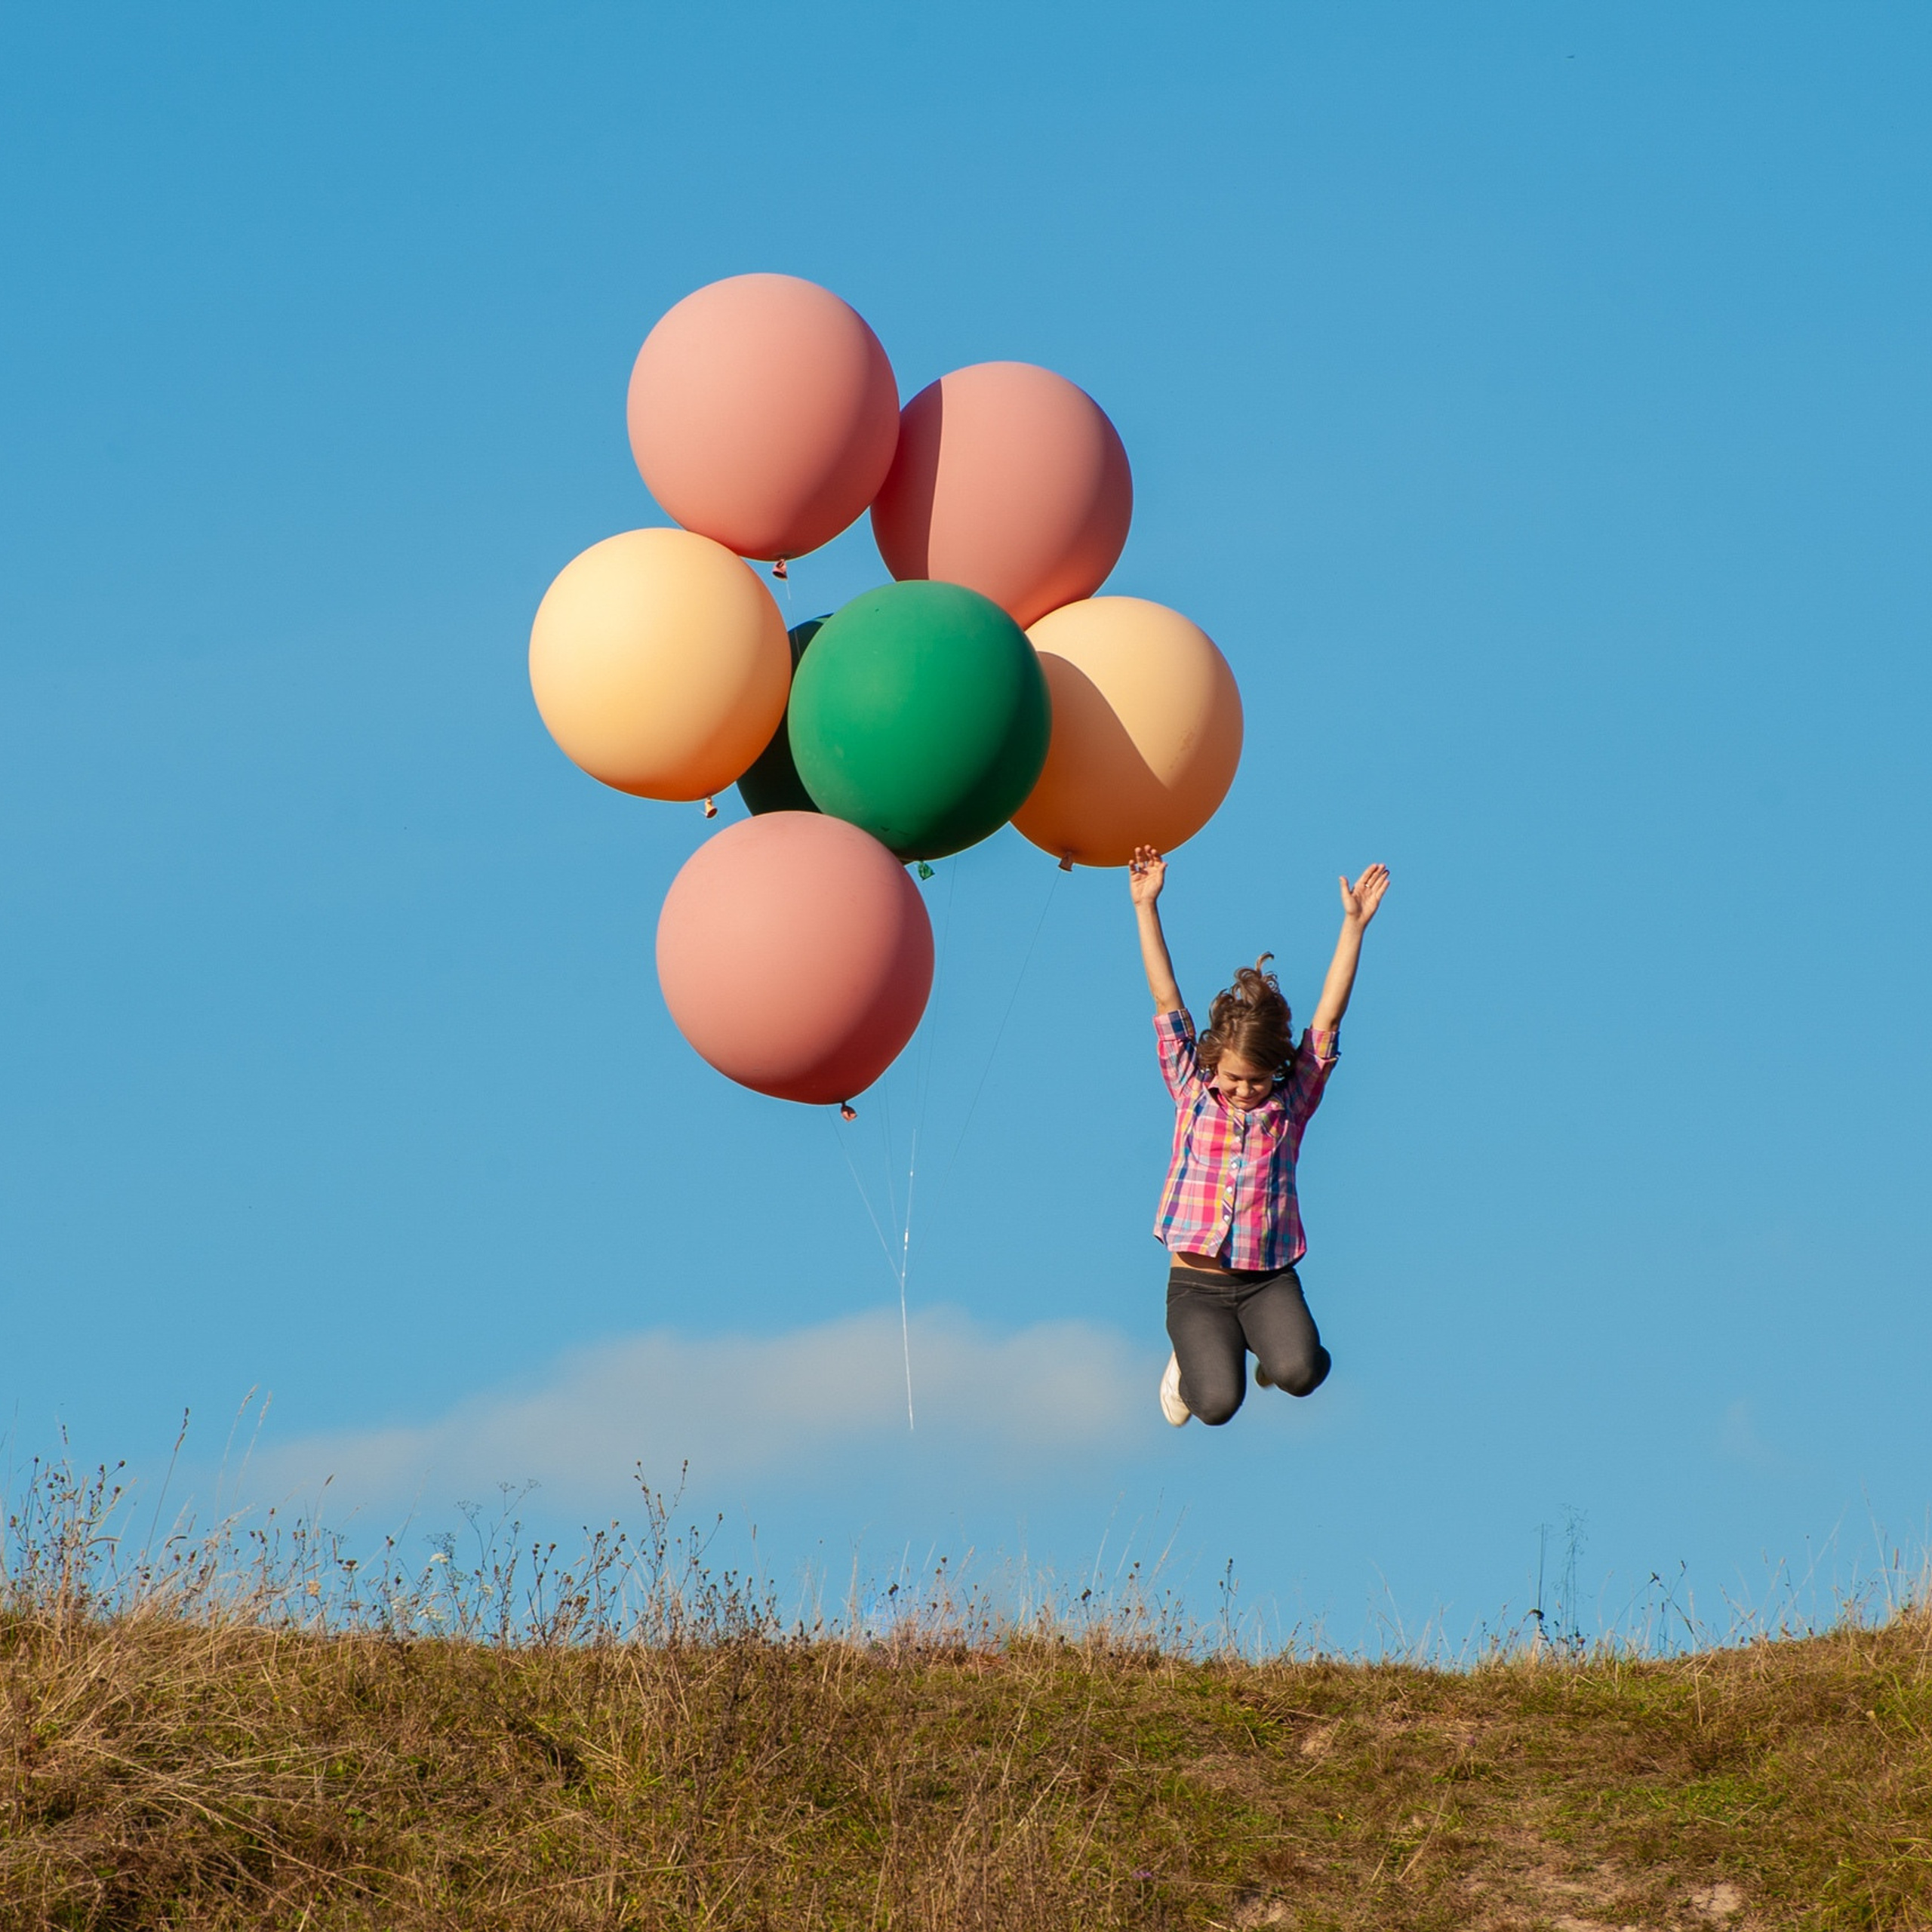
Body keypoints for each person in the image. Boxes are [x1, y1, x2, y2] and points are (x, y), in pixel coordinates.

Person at [1129, 846, 1390, 1427]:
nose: (1245, 1090)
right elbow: (1166, 998)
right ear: (1213, 1064)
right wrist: (1147, 906)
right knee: (1217, 1405)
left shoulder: (1290, 1105)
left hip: (1266, 1280)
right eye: (1234, 1079)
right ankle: (1189, 1364)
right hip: (1197, 1283)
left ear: (1276, 1071)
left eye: (1257, 1079)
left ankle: (1271, 1351)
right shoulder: (1192, 1090)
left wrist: (1353, 927)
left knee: (1300, 1373)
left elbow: (1327, 1020)